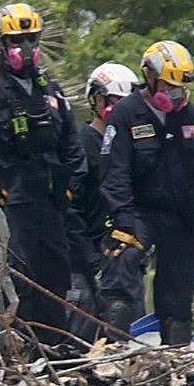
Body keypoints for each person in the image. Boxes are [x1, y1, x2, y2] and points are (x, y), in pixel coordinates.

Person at [95, 41, 194, 345]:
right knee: (122, 266)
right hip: (139, 213)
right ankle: (112, 350)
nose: (174, 93)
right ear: (150, 77)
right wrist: (122, 221)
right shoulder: (127, 113)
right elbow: (115, 173)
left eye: (180, 87)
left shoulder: (192, 117)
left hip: (182, 217)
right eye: (168, 85)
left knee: (177, 298)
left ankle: (176, 358)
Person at [0, 2, 91, 345]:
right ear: (1, 44)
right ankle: (20, 347)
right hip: (11, 198)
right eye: (16, 41)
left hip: (49, 200)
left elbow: (71, 140)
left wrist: (70, 183)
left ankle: (55, 347)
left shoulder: (50, 89)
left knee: (55, 274)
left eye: (31, 39)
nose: (25, 49)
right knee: (19, 276)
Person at [72, 61, 138, 321]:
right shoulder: (82, 146)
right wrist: (91, 260)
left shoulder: (132, 149)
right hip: (86, 259)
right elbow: (71, 210)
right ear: (98, 100)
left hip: (124, 257)